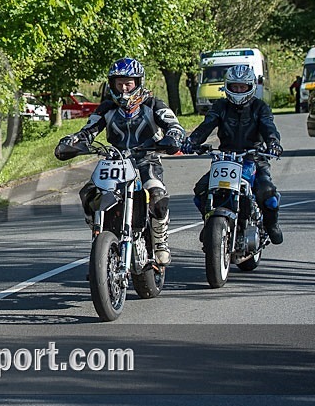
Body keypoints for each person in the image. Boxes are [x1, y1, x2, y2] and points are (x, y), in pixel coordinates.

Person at [54, 57, 185, 265]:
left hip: (146, 160)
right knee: (88, 193)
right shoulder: (106, 108)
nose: (124, 88)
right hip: (114, 161)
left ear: (138, 83)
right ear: (112, 84)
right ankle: (98, 235)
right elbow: (89, 130)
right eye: (119, 83)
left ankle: (160, 242)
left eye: (128, 83)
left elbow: (174, 125)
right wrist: (74, 141)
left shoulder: (153, 104)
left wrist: (173, 137)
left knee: (157, 194)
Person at [182, 65, 283, 244]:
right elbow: (207, 125)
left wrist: (273, 143)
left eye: (242, 87)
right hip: (226, 158)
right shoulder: (220, 106)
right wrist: (192, 142)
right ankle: (209, 223)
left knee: (267, 192)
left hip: (255, 157)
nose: (238, 91)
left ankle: (271, 224)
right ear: (227, 86)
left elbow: (269, 127)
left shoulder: (260, 107)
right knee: (201, 190)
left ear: (250, 87)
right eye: (234, 87)